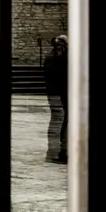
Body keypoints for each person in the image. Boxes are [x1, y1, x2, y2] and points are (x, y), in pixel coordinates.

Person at [44, 35, 69, 164]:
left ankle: (57, 152)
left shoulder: (54, 57)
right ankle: (59, 152)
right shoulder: (60, 58)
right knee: (60, 120)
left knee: (60, 120)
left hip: (58, 93)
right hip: (59, 93)